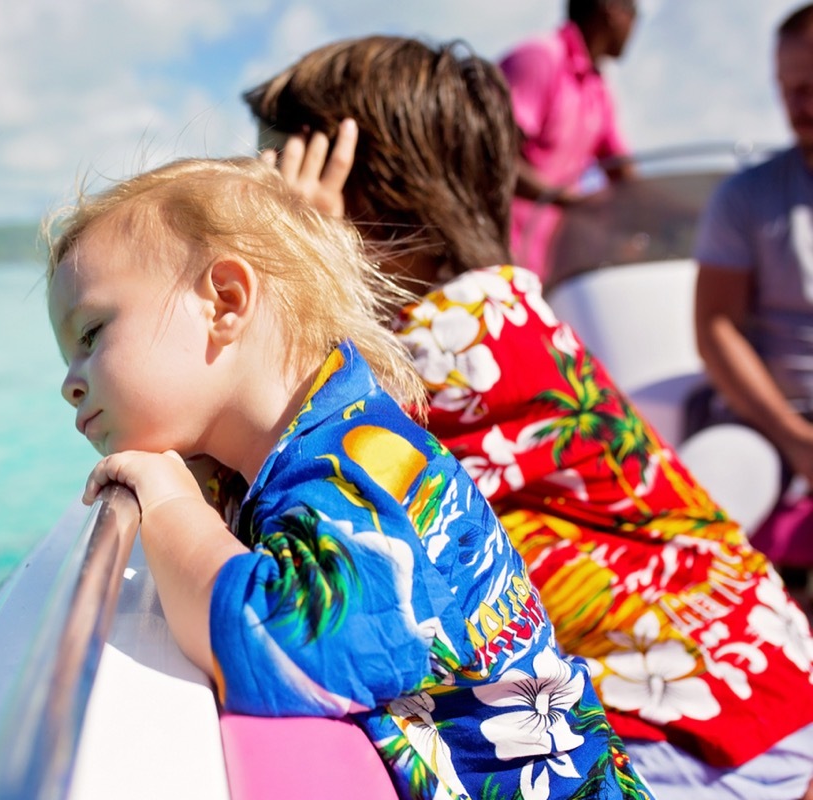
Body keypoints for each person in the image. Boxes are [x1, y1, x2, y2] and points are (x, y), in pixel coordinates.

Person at [246, 34, 813, 800]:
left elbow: (279, 467)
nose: (255, 224)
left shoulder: (436, 352)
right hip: (763, 676)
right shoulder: (500, 312)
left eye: (277, 196)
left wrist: (299, 275)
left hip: (697, 728)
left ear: (359, 200)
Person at [46, 156, 653, 800]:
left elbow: (282, 642)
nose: (69, 383)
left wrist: (169, 502)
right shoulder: (320, 439)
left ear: (225, 302)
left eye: (91, 333)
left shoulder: (358, 461)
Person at [694, 3, 813, 599]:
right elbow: (716, 330)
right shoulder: (746, 198)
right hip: (769, 423)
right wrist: (795, 437)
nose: (800, 107)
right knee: (721, 481)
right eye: (789, 90)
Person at [499, 0, 638, 278]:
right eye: (634, 13)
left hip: (544, 264)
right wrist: (572, 201)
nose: (635, 26)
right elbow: (491, 158)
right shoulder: (540, 58)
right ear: (613, 10)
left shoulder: (597, 90)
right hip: (494, 252)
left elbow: (624, 174)